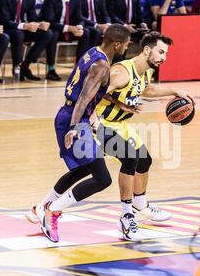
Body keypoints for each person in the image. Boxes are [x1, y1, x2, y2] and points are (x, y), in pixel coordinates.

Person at [25, 24, 131, 243]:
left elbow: (93, 90)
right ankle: (52, 211)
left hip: (69, 114)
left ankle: (40, 208)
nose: (127, 48)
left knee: (84, 169)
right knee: (102, 178)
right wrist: (75, 128)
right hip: (74, 118)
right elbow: (84, 98)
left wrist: (119, 103)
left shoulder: (93, 51)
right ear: (117, 44)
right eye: (127, 44)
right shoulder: (101, 65)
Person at [93, 32, 194, 241]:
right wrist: (92, 116)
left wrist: (174, 91)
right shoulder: (121, 71)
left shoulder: (145, 71)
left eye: (165, 53)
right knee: (130, 160)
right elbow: (94, 90)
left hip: (119, 124)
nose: (164, 57)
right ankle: (126, 214)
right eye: (161, 52)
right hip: (100, 123)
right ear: (147, 50)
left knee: (144, 160)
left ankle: (141, 204)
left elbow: (145, 90)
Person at [0, 0, 53, 81]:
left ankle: (25, 65)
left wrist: (40, 24)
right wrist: (24, 26)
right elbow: (4, 20)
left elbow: (32, 17)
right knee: (18, 34)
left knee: (47, 34)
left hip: (21, 28)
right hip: (6, 29)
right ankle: (17, 68)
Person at [39, 0, 91, 81]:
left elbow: (80, 18)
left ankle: (79, 68)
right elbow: (50, 21)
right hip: (55, 28)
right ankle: (51, 70)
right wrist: (69, 28)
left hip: (69, 30)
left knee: (85, 32)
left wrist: (79, 27)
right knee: (53, 34)